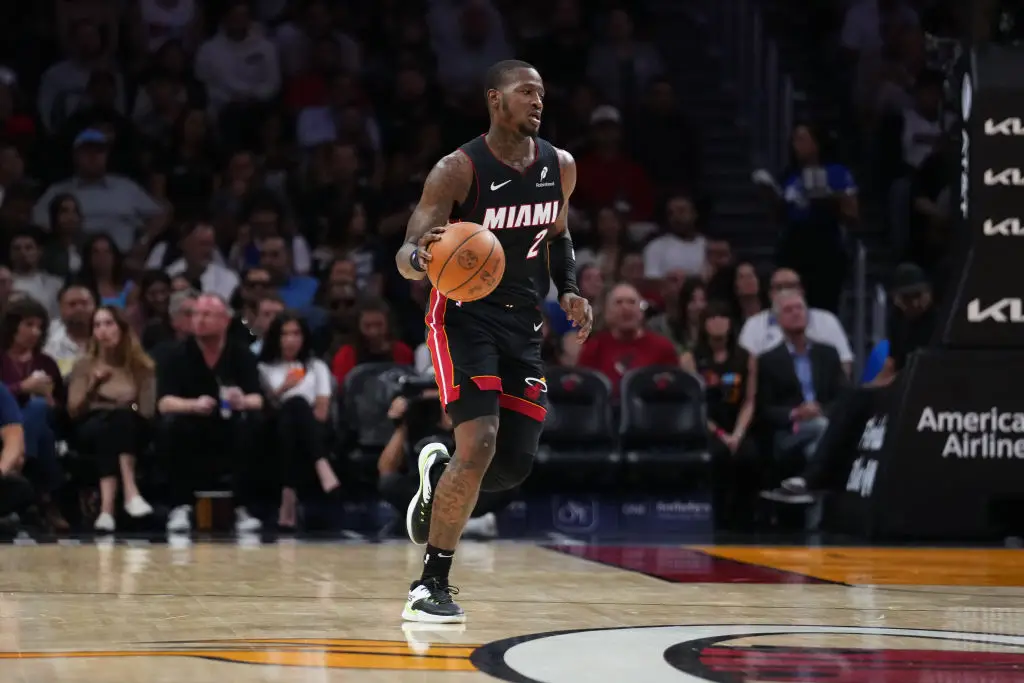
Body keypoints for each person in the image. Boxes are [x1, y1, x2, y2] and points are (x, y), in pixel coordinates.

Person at [394, 60, 592, 622]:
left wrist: (570, 290)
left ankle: (437, 476)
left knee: (510, 467)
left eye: (542, 93)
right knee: (478, 444)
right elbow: (406, 254)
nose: (537, 101)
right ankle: (430, 584)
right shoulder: (457, 170)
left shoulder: (561, 166)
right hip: (462, 317)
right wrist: (420, 257)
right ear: (494, 100)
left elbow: (558, 235)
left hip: (523, 322)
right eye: (525, 92)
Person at [155, 294, 264, 534]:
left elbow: (258, 399)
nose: (199, 320)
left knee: (252, 423)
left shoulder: (241, 354)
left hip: (230, 422)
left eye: (207, 315)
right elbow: (164, 402)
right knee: (170, 426)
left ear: (225, 320)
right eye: (195, 314)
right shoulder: (175, 355)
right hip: (192, 421)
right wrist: (193, 405)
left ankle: (242, 508)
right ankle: (180, 506)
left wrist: (241, 400)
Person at [67, 307, 156, 532]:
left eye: (108, 324)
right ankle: (130, 492)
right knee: (110, 423)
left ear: (122, 329)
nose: (102, 331)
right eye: (97, 325)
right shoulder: (84, 365)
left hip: (132, 425)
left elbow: (146, 411)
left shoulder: (142, 367)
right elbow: (74, 411)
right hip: (90, 424)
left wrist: (129, 403)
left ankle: (106, 511)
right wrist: (93, 387)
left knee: (118, 421)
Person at [256, 312, 339, 531]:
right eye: (285, 334)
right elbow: (266, 409)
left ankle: (288, 498)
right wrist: (284, 388)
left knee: (297, 406)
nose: (291, 339)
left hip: (312, 430)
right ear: (276, 337)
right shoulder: (264, 368)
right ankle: (322, 465)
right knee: (294, 404)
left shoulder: (316, 366)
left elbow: (321, 412)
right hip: (273, 432)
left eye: (296, 333)